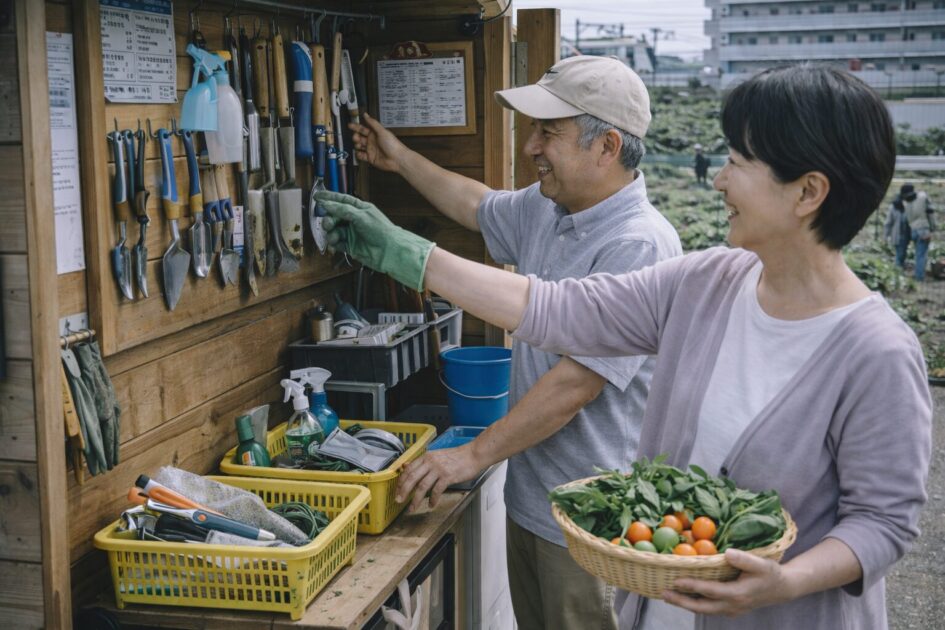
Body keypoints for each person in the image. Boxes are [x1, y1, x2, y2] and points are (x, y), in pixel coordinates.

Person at [317, 64, 932, 629]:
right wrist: (411, 256)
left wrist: (783, 581)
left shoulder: (876, 352)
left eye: (739, 162)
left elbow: (884, 522)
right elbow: (558, 309)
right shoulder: (706, 282)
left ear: (808, 193)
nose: (718, 179)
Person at [347, 55, 681, 630]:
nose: (531, 148)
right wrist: (396, 158)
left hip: (592, 524)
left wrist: (472, 455)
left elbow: (573, 386)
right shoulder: (551, 208)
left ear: (607, 148)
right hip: (533, 501)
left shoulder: (639, 245)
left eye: (548, 133)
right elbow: (475, 205)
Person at [900, 183, 935, 280]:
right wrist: (932, 228)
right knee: (922, 255)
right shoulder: (922, 197)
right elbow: (930, 213)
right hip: (923, 229)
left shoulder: (905, 202)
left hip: (914, 230)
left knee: (918, 254)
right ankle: (919, 277)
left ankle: (918, 275)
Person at [883, 191, 910, 267]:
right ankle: (897, 269)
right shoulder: (893, 207)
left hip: (906, 234)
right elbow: (888, 223)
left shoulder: (907, 206)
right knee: (900, 253)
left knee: (903, 253)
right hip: (897, 234)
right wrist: (885, 236)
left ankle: (899, 268)